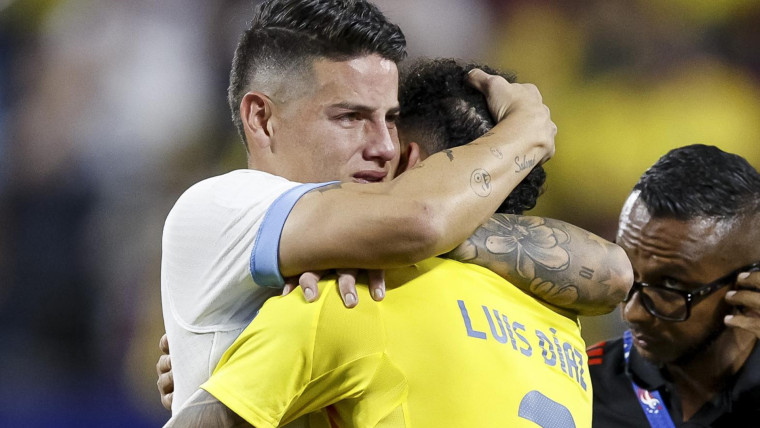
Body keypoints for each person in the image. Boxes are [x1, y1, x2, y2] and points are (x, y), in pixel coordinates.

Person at [163, 58, 630, 428]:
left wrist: (217, 376)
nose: (379, 150)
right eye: (354, 119)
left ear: (415, 166)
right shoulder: (562, 324)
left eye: (389, 128)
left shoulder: (349, 297)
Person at [587, 144, 760, 427]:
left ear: (749, 284)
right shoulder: (579, 387)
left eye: (670, 285)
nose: (632, 313)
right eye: (628, 272)